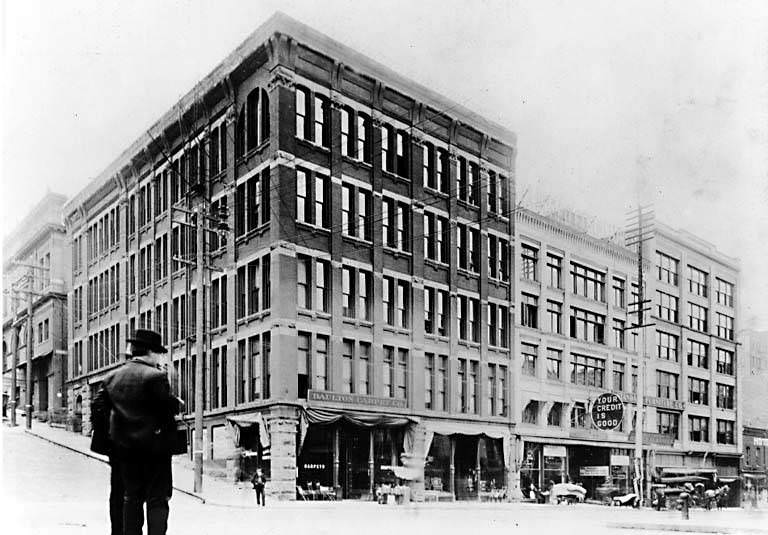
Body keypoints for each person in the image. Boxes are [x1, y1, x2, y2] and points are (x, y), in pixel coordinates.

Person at [102, 329, 180, 535]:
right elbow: (166, 411)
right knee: (157, 500)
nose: (159, 357)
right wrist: (175, 402)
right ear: (151, 352)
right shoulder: (156, 376)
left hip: (125, 451)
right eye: (158, 353)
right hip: (155, 451)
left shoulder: (111, 378)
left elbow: (102, 410)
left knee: (131, 498)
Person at [91, 359, 128, 535]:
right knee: (138, 498)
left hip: (117, 448)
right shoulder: (152, 376)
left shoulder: (113, 377)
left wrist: (108, 440)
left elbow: (96, 405)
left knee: (118, 495)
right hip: (140, 448)